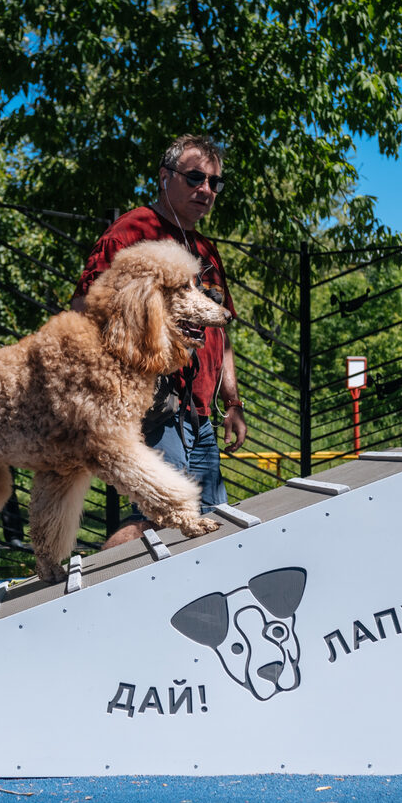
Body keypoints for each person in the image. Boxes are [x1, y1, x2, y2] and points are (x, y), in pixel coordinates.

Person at [72, 134, 247, 548]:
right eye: (194, 177)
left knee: (206, 522)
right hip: (154, 406)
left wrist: (233, 403)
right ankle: (94, 596)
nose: (206, 189)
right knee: (158, 518)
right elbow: (84, 310)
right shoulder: (133, 231)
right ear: (165, 177)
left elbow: (218, 333)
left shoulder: (205, 248)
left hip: (200, 413)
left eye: (214, 183)